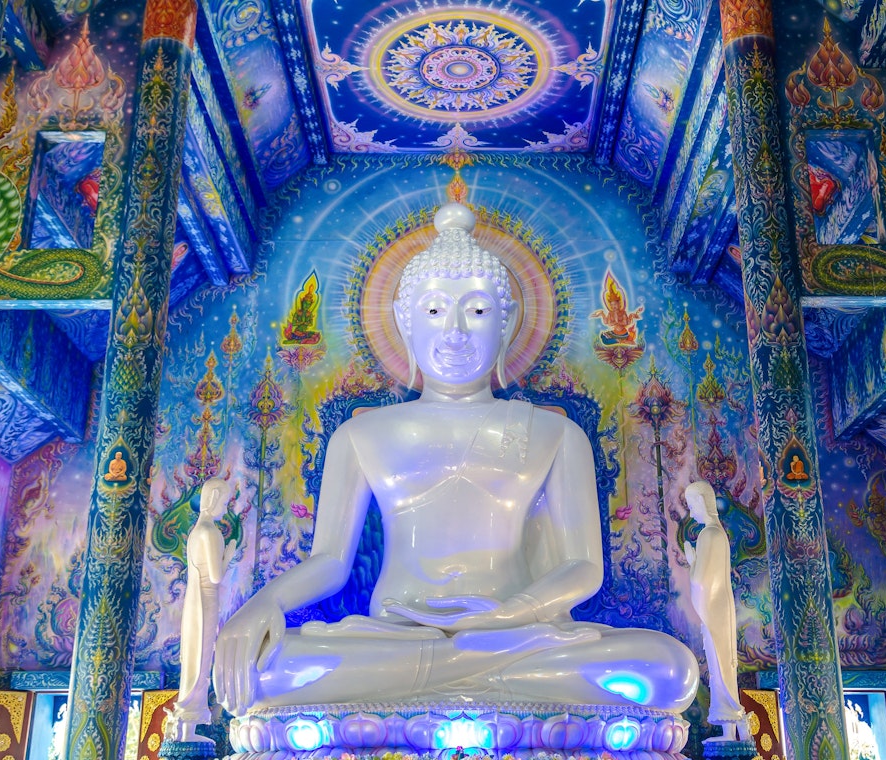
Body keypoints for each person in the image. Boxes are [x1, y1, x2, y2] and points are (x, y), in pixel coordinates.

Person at [213, 203, 698, 716]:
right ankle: (476, 681)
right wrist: (262, 604)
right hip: (394, 636)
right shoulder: (360, 435)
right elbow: (330, 562)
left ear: (507, 325)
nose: (456, 332)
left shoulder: (556, 433)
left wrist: (511, 613)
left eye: (479, 311)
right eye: (434, 311)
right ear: (405, 324)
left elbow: (583, 568)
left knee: (668, 669)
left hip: (518, 635)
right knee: (267, 669)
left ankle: (449, 676)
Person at [168, 477, 234, 743]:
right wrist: (229, 553)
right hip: (206, 601)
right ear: (213, 499)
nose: (225, 508)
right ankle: (187, 721)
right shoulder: (210, 533)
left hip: (196, 601)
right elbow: (216, 577)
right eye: (225, 502)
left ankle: (186, 728)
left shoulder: (196, 533)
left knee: (196, 659)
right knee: (201, 660)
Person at [682, 481, 748, 741]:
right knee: (722, 664)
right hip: (721, 606)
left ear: (701, 502)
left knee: (720, 666)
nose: (691, 513)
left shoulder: (708, 535)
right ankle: (733, 728)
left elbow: (700, 580)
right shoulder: (718, 534)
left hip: (714, 608)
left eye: (692, 506)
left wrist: (692, 562)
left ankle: (732, 723)